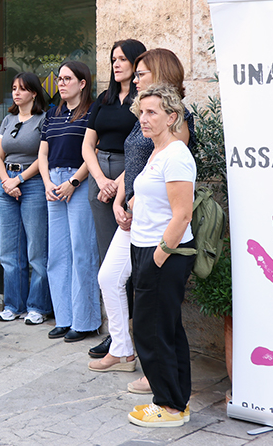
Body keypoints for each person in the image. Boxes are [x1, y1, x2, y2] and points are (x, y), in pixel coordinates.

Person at [89, 48, 194, 380]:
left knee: (159, 305)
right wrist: (121, 199)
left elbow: (170, 173)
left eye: (141, 73)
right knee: (109, 277)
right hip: (133, 212)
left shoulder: (177, 119)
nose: (134, 77)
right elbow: (137, 167)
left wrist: (131, 204)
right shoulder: (145, 113)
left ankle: (158, 371)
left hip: (156, 220)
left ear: (160, 73)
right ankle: (121, 349)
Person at [126, 84, 196, 428]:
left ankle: (168, 407)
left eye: (152, 112)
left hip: (164, 254)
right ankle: (177, 401)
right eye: (141, 111)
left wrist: (157, 256)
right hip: (145, 248)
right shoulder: (157, 152)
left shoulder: (176, 154)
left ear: (172, 116)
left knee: (152, 331)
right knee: (165, 329)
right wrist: (131, 205)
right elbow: (153, 195)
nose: (144, 118)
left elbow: (182, 215)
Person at [80, 39, 146, 359]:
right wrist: (100, 179)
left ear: (137, 63)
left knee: (128, 262)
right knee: (108, 257)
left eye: (123, 59)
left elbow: (141, 149)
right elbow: (87, 145)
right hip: (99, 176)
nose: (117, 64)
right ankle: (115, 334)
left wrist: (117, 182)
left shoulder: (142, 100)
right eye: (113, 59)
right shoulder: (103, 100)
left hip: (127, 175)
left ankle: (129, 333)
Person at [38, 60, 100, 342]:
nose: (61, 83)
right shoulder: (51, 114)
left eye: (67, 79)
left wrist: (73, 181)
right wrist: (48, 182)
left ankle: (84, 321)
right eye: (59, 79)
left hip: (78, 182)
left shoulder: (92, 113)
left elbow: (92, 152)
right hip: (52, 183)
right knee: (57, 254)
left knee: (81, 251)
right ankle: (63, 318)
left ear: (82, 83)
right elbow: (42, 154)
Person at [0, 72, 51, 325]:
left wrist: (20, 180)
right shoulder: (8, 119)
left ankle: (38, 306)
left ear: (34, 93)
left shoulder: (43, 119)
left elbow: (42, 158)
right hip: (7, 187)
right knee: (9, 251)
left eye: (23, 89)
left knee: (36, 250)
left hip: (33, 185)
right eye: (14, 88)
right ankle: (13, 305)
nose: (16, 92)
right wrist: (7, 181)